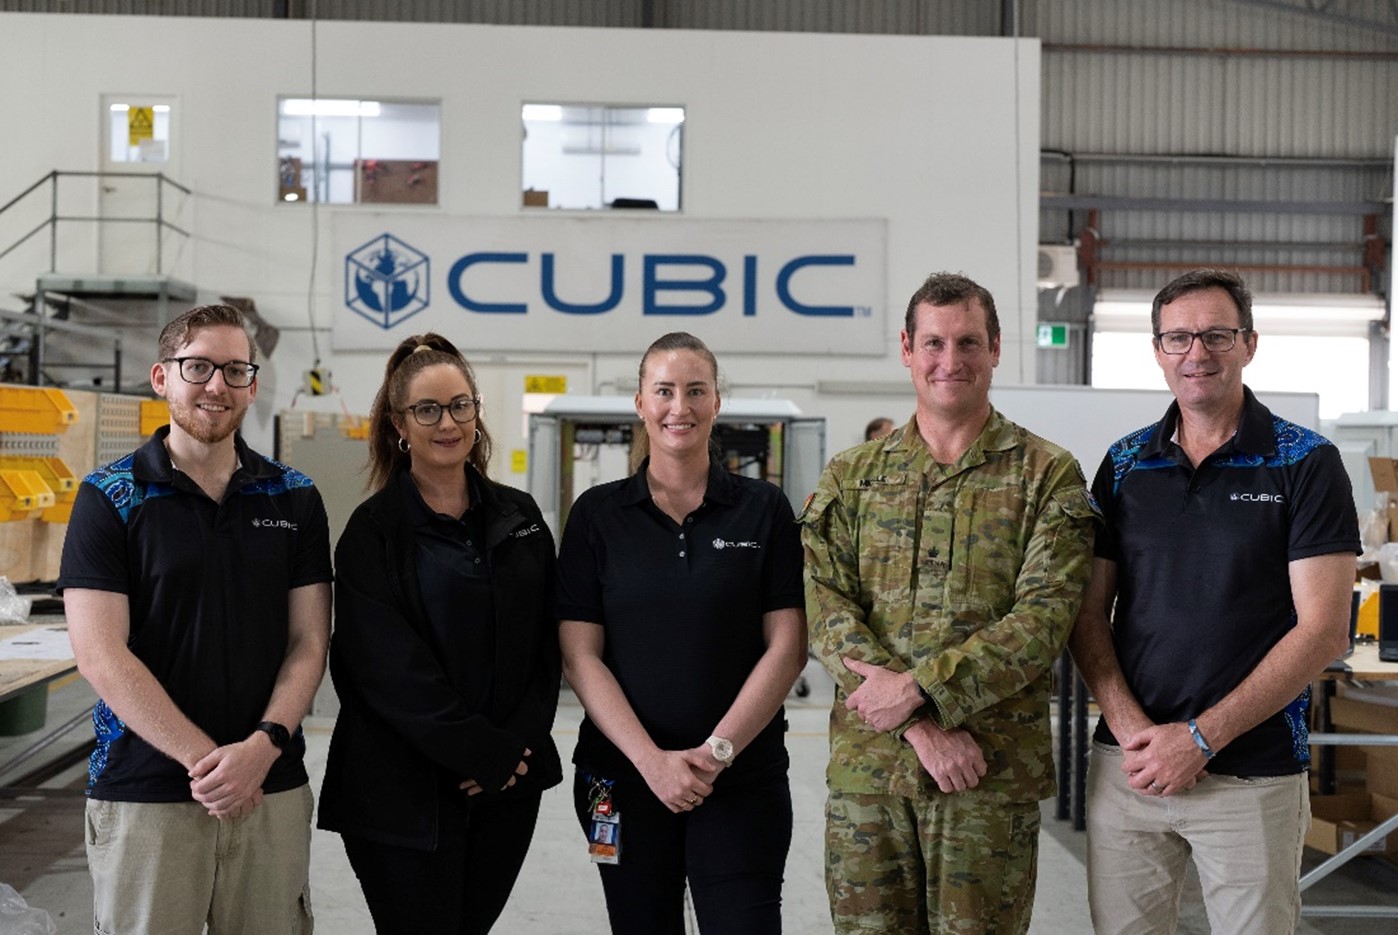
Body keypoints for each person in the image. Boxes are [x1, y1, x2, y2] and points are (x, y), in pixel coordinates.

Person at [801, 272, 1098, 934]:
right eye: (933, 342)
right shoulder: (852, 477)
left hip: (985, 779)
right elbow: (826, 612)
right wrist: (919, 723)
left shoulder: (1046, 474)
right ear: (907, 348)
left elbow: (1042, 621)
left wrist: (917, 688)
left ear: (996, 348)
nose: (950, 360)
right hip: (869, 779)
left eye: (969, 341)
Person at [1067, 268, 1359, 935]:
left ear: (1249, 343)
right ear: (1158, 350)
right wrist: (1138, 731)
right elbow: (1087, 614)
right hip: (1130, 765)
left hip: (1250, 775)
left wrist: (1200, 738)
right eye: (1178, 337)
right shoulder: (1124, 463)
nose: (1196, 353)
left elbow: (1324, 630)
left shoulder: (1305, 463)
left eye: (1216, 335)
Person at [58, 304, 332, 934]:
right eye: (199, 366)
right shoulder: (112, 495)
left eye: (236, 370)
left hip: (271, 785)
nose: (217, 385)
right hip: (146, 790)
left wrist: (261, 750)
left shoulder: (294, 496)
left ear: (253, 385)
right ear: (162, 378)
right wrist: (212, 764)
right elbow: (102, 654)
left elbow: (310, 640)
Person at [557, 331, 808, 935]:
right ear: (640, 404)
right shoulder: (597, 515)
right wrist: (651, 762)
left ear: (717, 402)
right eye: (664, 391)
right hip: (618, 779)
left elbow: (788, 645)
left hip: (740, 775)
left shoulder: (764, 509)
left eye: (696, 391)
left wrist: (715, 753)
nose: (680, 407)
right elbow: (579, 655)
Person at [318, 333, 562, 934]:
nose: (447, 422)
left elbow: (549, 647)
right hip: (403, 796)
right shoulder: (373, 533)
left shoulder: (520, 517)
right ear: (400, 424)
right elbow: (386, 672)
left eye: (460, 404)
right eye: (427, 409)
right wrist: (481, 751)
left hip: (507, 782)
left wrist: (512, 749)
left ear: (477, 411)